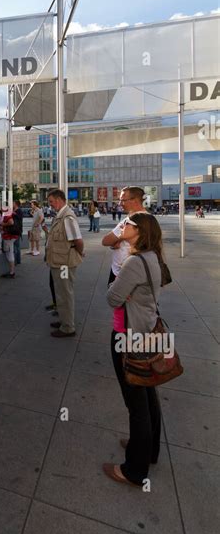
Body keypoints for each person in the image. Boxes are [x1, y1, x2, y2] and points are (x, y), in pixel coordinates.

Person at [104, 212, 163, 487]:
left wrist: (119, 288)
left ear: (138, 231)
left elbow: (112, 297)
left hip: (127, 336)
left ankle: (134, 470)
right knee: (147, 393)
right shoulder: (152, 256)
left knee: (135, 401)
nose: (123, 225)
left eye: (128, 224)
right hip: (146, 332)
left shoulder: (134, 262)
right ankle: (148, 448)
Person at [45, 189, 84, 338]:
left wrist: (79, 253)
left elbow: (78, 240)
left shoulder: (67, 217)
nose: (50, 205)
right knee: (60, 293)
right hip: (59, 261)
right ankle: (63, 320)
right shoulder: (61, 216)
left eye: (51, 202)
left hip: (64, 263)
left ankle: (68, 327)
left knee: (64, 294)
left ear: (60, 200)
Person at [102, 187, 148, 283]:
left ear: (134, 200)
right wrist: (119, 239)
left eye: (123, 200)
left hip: (123, 272)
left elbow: (106, 241)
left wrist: (118, 239)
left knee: (116, 297)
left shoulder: (131, 221)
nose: (120, 203)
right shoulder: (149, 218)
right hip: (133, 270)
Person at [1, 206, 17, 278]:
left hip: (9, 237)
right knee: (9, 252)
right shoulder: (11, 213)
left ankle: (12, 272)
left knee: (9, 253)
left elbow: (11, 222)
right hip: (11, 236)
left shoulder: (7, 215)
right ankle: (11, 271)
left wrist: (3, 224)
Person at [12, 200, 24, 264]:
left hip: (17, 230)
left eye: (13, 203)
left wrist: (14, 214)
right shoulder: (15, 211)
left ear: (16, 204)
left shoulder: (19, 211)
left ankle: (17, 260)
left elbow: (19, 219)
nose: (12, 204)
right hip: (16, 229)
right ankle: (17, 260)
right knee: (16, 246)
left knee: (16, 246)